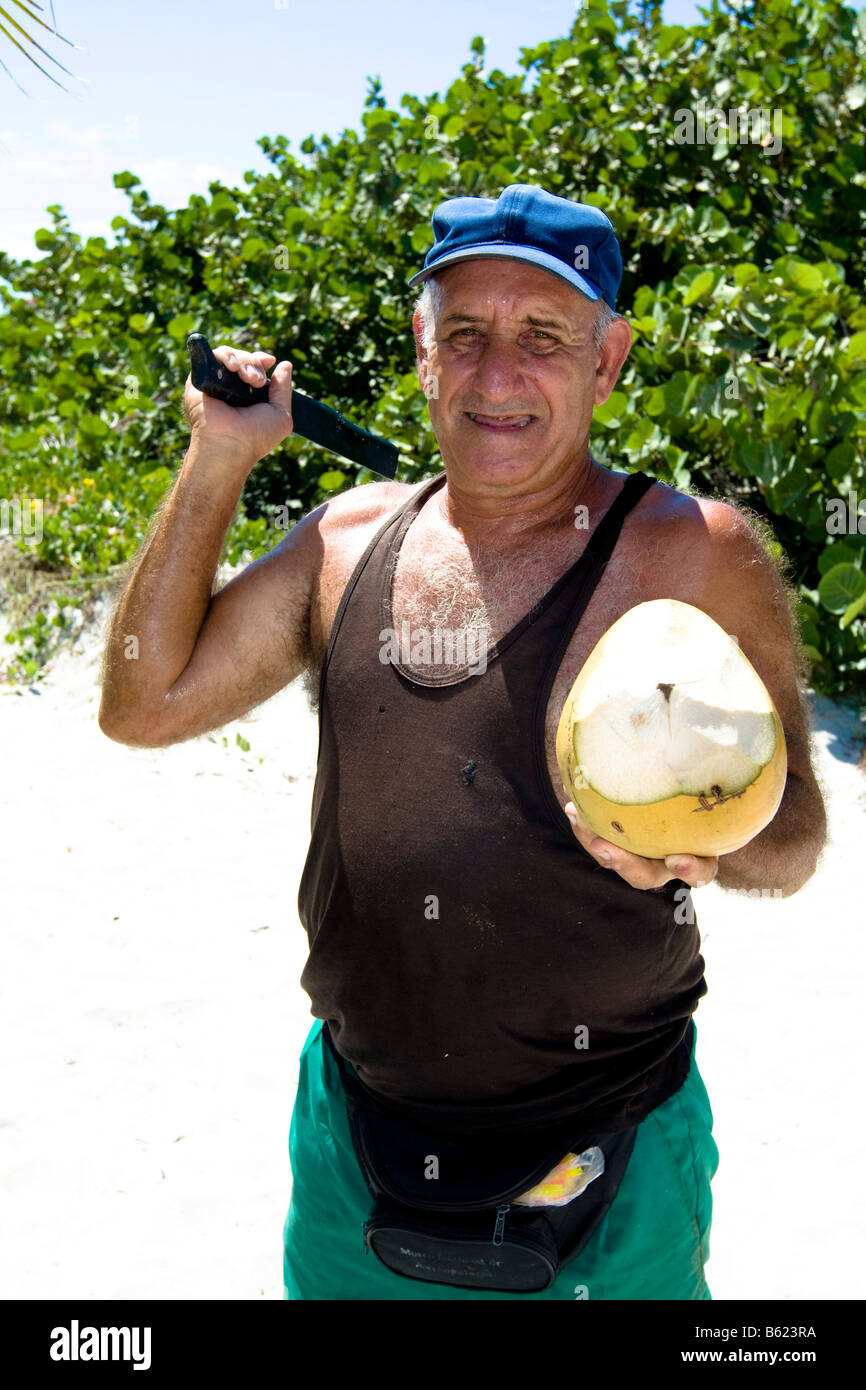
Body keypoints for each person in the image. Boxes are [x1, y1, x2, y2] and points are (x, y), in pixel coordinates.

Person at [98, 184, 827, 1301]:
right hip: (356, 1133)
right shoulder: (345, 540)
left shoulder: (689, 551)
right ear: (422, 347)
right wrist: (217, 459)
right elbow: (141, 704)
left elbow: (795, 837)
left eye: (543, 337)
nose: (496, 376)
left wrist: (704, 848)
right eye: (467, 334)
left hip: (614, 1145)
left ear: (608, 358)